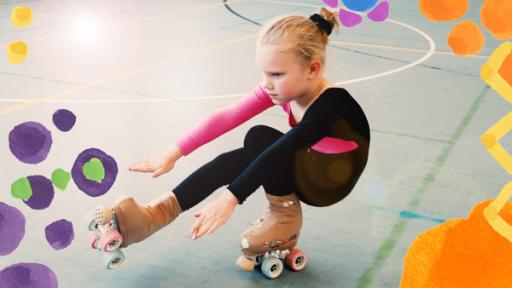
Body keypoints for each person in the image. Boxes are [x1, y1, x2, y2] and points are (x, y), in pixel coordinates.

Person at [108, 7, 370, 263]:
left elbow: (282, 150)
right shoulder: (285, 88)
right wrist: (173, 152)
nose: (267, 83)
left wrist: (230, 197)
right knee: (243, 154)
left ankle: (285, 218)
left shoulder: (331, 105)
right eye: (264, 73)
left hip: (330, 181)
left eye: (276, 74)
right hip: (310, 161)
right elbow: (228, 115)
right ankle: (155, 215)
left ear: (312, 69)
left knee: (261, 139)